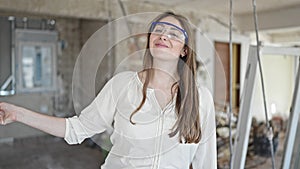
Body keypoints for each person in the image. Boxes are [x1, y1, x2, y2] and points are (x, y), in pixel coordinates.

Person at [0, 12, 217, 168]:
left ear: (184, 50)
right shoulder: (122, 85)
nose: (163, 36)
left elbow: (205, 162)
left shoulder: (200, 99)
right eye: (157, 31)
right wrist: (19, 113)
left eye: (174, 34)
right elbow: (76, 129)